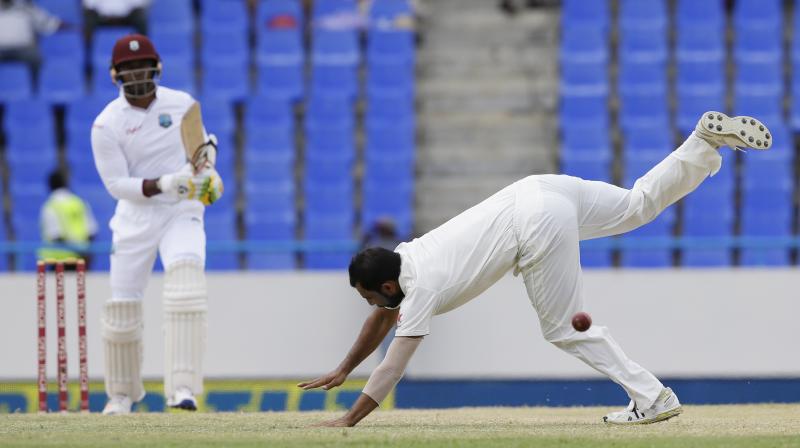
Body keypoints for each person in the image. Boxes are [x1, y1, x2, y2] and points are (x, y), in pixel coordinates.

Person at [299, 111, 773, 426]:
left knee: (563, 330)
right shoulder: (408, 255)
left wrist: (348, 419)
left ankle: (652, 399)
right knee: (634, 207)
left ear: (385, 284)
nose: (372, 307)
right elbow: (383, 314)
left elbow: (392, 367)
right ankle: (700, 143)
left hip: (534, 221)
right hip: (542, 189)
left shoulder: (418, 289)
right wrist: (343, 369)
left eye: (369, 296)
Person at [91, 34, 223, 415]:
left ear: (157, 67)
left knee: (186, 289)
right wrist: (162, 183)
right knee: (121, 309)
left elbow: (200, 150)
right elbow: (116, 185)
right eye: (129, 67)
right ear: (115, 74)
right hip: (135, 218)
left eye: (143, 65)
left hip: (181, 211)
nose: (137, 73)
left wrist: (208, 173)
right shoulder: (106, 124)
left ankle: (183, 390)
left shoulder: (182, 104)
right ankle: (121, 395)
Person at [39, 170, 98, 267]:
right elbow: (92, 232)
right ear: (66, 183)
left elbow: (56, 236)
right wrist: (85, 253)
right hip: (82, 260)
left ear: (49, 186)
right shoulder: (79, 203)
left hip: (58, 262)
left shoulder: (50, 206)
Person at [0, 0, 64, 75]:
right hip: (1, 49)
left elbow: (46, 24)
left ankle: (36, 85)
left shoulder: (26, 6)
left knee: (37, 60)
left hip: (24, 48)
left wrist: (63, 26)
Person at [83, 0, 149, 37]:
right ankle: (88, 58)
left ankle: (143, 53)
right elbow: (89, 4)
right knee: (90, 19)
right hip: (102, 16)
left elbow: (141, 3)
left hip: (128, 16)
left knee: (140, 18)